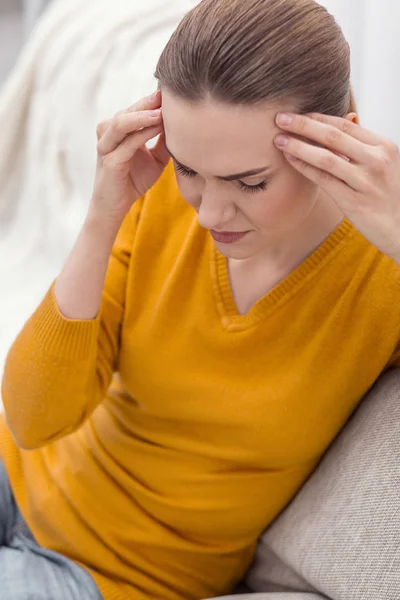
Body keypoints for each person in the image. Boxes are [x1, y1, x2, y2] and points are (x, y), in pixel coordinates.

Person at [1, 0, 400, 598]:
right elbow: (34, 421)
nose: (209, 213)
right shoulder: (163, 193)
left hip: (109, 577)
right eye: (190, 170)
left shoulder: (381, 267)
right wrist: (104, 214)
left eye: (250, 182)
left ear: (332, 138)